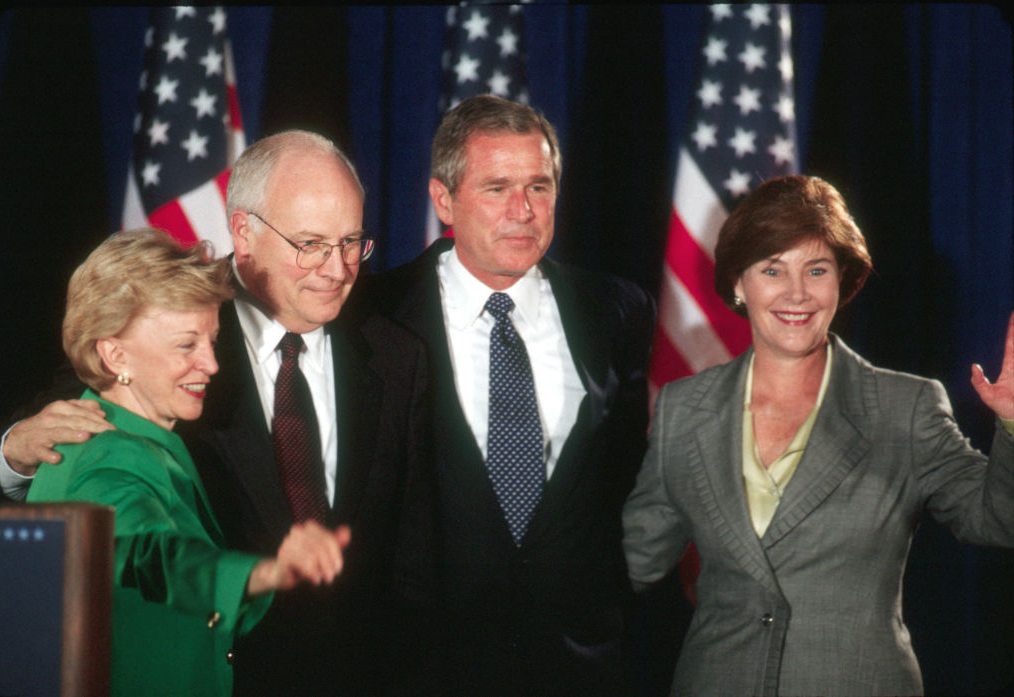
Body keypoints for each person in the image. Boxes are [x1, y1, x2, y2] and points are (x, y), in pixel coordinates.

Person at [0, 131, 435, 697]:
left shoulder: (396, 352)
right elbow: (150, 551)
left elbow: (412, 569)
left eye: (352, 241)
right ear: (243, 233)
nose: (337, 268)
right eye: (311, 244)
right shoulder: (146, 352)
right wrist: (268, 573)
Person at [621, 174, 1014, 697]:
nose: (797, 293)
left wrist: (1012, 424)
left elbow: (997, 520)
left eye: (817, 269)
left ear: (842, 281)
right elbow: (632, 561)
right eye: (772, 269)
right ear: (739, 283)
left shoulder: (906, 407)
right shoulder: (684, 409)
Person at [354, 94, 655, 696]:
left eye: (539, 187)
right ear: (444, 199)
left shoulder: (616, 311)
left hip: (579, 671)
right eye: (496, 189)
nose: (522, 211)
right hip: (422, 671)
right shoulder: (371, 316)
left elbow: (624, 489)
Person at [25, 228, 352, 697]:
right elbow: (145, 554)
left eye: (212, 340)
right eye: (186, 345)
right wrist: (267, 573)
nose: (212, 364)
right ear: (114, 353)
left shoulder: (130, 437)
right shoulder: (108, 456)